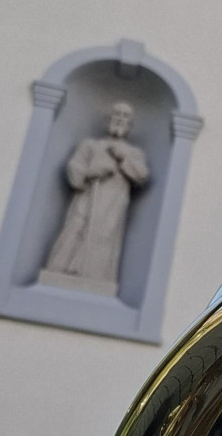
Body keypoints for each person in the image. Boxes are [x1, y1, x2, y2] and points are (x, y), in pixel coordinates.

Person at [40, 101, 150, 295]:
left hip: (113, 204)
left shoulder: (133, 152)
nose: (119, 120)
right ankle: (61, 270)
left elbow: (141, 176)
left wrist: (122, 158)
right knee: (76, 228)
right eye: (116, 115)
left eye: (125, 117)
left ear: (130, 125)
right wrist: (92, 172)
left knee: (104, 237)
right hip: (88, 197)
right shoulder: (91, 145)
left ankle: (96, 277)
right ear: (108, 120)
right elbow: (75, 168)